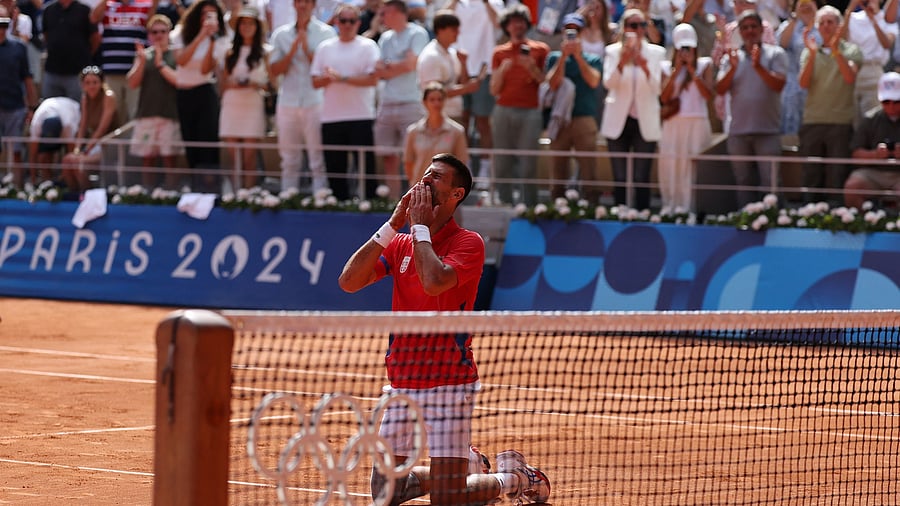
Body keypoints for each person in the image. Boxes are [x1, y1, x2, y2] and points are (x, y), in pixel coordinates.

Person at [337, 152, 551, 506]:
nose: (425, 180)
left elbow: (434, 281)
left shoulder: (469, 243)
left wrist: (419, 227)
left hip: (449, 384)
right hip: (402, 383)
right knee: (384, 495)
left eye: (436, 177)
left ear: (457, 194)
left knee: (447, 500)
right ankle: (472, 465)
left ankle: (512, 478)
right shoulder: (401, 241)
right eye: (426, 173)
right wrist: (393, 223)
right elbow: (348, 281)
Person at [715, 10, 787, 208]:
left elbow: (779, 85)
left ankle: (773, 224)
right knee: (743, 182)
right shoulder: (731, 58)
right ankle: (746, 222)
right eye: (745, 27)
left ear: (761, 29)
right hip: (738, 131)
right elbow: (719, 89)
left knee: (770, 183)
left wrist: (758, 67)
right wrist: (732, 68)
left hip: (768, 131)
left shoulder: (776, 53)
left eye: (753, 26)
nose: (749, 31)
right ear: (739, 31)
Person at [310, 3, 379, 201]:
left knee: (366, 170)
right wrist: (329, 79)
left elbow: (373, 79)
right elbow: (315, 81)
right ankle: (339, 207)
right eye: (343, 20)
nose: (347, 25)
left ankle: (369, 208)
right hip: (331, 117)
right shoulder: (325, 47)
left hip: (361, 116)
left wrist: (342, 78)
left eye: (351, 21)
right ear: (336, 22)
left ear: (358, 23)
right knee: (335, 170)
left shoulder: (368, 46)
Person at [600, 8, 666, 210]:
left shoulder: (657, 52)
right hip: (618, 119)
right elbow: (608, 83)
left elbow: (658, 88)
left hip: (644, 119)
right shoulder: (612, 51)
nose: (638, 30)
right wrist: (622, 61)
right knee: (620, 176)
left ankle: (643, 216)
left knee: (641, 175)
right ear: (624, 28)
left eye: (642, 25)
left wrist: (644, 66)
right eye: (633, 25)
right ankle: (620, 215)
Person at [269, 0, 336, 193]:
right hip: (287, 101)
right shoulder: (280, 34)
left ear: (313, 5)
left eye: (307, 1)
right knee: (289, 157)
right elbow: (274, 70)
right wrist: (292, 51)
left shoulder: (326, 33)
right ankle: (288, 197)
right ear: (294, 4)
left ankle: (320, 199)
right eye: (299, 1)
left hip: (316, 102)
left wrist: (305, 48)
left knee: (317, 157)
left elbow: (325, 69)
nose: (302, 5)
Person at [797, 5, 861, 204]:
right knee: (811, 174)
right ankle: (809, 218)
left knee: (837, 175)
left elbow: (850, 77)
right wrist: (814, 54)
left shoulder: (852, 50)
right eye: (822, 23)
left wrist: (835, 51)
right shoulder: (809, 52)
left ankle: (836, 221)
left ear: (839, 25)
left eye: (830, 22)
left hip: (840, 123)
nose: (826, 26)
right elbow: (803, 83)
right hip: (813, 121)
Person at [490, 4, 550, 206]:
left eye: (521, 21)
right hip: (503, 110)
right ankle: (505, 203)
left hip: (530, 111)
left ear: (527, 24)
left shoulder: (540, 49)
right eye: (513, 22)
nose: (517, 26)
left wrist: (531, 67)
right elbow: (494, 89)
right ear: (507, 26)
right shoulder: (499, 52)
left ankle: (531, 207)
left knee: (528, 163)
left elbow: (545, 82)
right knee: (502, 161)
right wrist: (502, 70)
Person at [543, 13, 603, 203]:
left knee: (589, 170)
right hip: (560, 119)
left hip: (584, 119)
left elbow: (593, 81)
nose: (573, 34)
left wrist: (577, 56)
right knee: (557, 169)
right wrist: (563, 57)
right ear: (562, 32)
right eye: (569, 30)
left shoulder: (593, 59)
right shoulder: (553, 58)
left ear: (583, 33)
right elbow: (552, 84)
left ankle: (593, 209)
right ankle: (557, 208)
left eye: (576, 30)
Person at [372, 0, 429, 198]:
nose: (381, 18)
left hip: (411, 102)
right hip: (387, 103)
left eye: (384, 13)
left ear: (397, 12)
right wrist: (396, 65)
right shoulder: (385, 38)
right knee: (389, 157)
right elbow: (379, 71)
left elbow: (411, 65)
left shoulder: (417, 33)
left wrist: (389, 67)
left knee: (412, 158)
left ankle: (416, 202)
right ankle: (393, 204)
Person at [172, 0, 229, 193]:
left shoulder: (221, 39)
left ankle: (212, 190)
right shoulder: (181, 33)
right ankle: (196, 189)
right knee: (190, 142)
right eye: (204, 14)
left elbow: (206, 69)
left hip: (205, 93)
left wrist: (210, 39)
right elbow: (181, 60)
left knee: (208, 143)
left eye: (212, 15)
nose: (207, 18)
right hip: (183, 94)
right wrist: (200, 36)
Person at [658, 23, 714, 212]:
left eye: (688, 47)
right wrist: (676, 72)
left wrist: (691, 70)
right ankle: (672, 207)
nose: (685, 51)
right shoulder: (665, 68)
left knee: (694, 168)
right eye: (682, 47)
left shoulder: (704, 64)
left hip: (697, 121)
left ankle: (695, 209)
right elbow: (664, 97)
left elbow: (707, 95)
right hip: (674, 124)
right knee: (672, 165)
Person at [447, 0, 503, 189]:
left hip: (483, 70)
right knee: (461, 122)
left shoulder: (494, 3)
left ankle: (485, 170)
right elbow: (441, 20)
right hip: (457, 67)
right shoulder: (457, 4)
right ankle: (464, 168)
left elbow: (499, 24)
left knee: (482, 122)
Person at [126, 14, 184, 190]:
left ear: (169, 32)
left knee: (169, 158)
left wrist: (160, 64)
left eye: (163, 31)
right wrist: (142, 61)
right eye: (154, 32)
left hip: (171, 114)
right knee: (148, 158)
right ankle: (148, 194)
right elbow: (132, 83)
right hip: (147, 114)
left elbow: (179, 81)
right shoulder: (144, 55)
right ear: (149, 34)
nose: (159, 35)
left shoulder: (177, 54)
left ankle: (171, 194)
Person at [219, 7, 271, 190]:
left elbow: (270, 84)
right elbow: (223, 83)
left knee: (249, 156)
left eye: (250, 23)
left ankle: (247, 197)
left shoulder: (265, 52)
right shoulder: (229, 53)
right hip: (232, 104)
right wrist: (233, 83)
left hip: (252, 104)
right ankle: (235, 195)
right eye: (243, 23)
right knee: (234, 159)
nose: (246, 27)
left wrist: (254, 83)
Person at [90, 0, 159, 126]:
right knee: (113, 116)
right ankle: (114, 146)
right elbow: (94, 18)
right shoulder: (108, 6)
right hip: (112, 71)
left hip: (135, 72)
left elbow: (151, 22)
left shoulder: (143, 5)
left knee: (134, 115)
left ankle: (133, 146)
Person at [843, 72, 900, 209]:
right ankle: (865, 223)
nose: (891, 106)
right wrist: (875, 155)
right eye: (886, 101)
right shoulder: (870, 119)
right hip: (873, 173)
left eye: (897, 101)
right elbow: (855, 153)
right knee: (852, 187)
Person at [60, 65, 120, 195]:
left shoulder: (108, 97)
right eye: (87, 83)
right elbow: (83, 125)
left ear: (101, 83)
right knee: (67, 160)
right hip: (93, 144)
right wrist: (77, 149)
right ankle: (73, 194)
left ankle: (87, 195)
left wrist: (86, 150)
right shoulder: (85, 98)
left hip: (109, 144)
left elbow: (102, 129)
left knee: (79, 163)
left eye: (95, 82)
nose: (91, 86)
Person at [415, 10, 481, 127]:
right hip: (436, 117)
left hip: (453, 114)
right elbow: (434, 94)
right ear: (441, 30)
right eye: (454, 29)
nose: (458, 33)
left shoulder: (452, 53)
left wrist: (464, 64)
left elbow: (462, 82)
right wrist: (467, 89)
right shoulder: (431, 56)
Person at [839, 0, 897, 126]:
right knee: (851, 119)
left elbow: (887, 44)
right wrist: (850, 8)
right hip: (852, 71)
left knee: (873, 118)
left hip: (874, 72)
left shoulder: (886, 20)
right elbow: (841, 41)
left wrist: (873, 20)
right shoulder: (852, 18)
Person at [403, 82, 468, 185]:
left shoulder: (457, 131)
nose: (436, 103)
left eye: (440, 99)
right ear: (424, 102)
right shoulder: (413, 131)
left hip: (445, 192)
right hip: (420, 191)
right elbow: (408, 163)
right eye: (432, 100)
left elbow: (461, 164)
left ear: (445, 101)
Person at [0, 7, 38, 173]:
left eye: (3, 24)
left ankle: (16, 189)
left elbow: (27, 78)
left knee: (16, 151)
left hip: (15, 106)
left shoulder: (18, 47)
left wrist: (32, 107)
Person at [41, 0, 99, 102]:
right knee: (50, 111)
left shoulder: (84, 10)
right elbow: (46, 36)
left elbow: (95, 38)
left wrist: (86, 55)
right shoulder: (48, 10)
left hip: (77, 74)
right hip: (52, 71)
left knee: (77, 111)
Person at [775, 0, 819, 136]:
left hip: (818, 84)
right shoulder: (788, 25)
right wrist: (795, 18)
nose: (805, 5)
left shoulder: (824, 23)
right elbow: (781, 44)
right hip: (792, 87)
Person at [25, 96, 81, 187]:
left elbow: (72, 152)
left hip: (73, 113)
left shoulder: (68, 125)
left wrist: (65, 174)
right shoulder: (36, 124)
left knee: (69, 159)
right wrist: (33, 180)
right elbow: (33, 154)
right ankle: (47, 184)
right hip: (56, 120)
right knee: (43, 157)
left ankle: (69, 185)